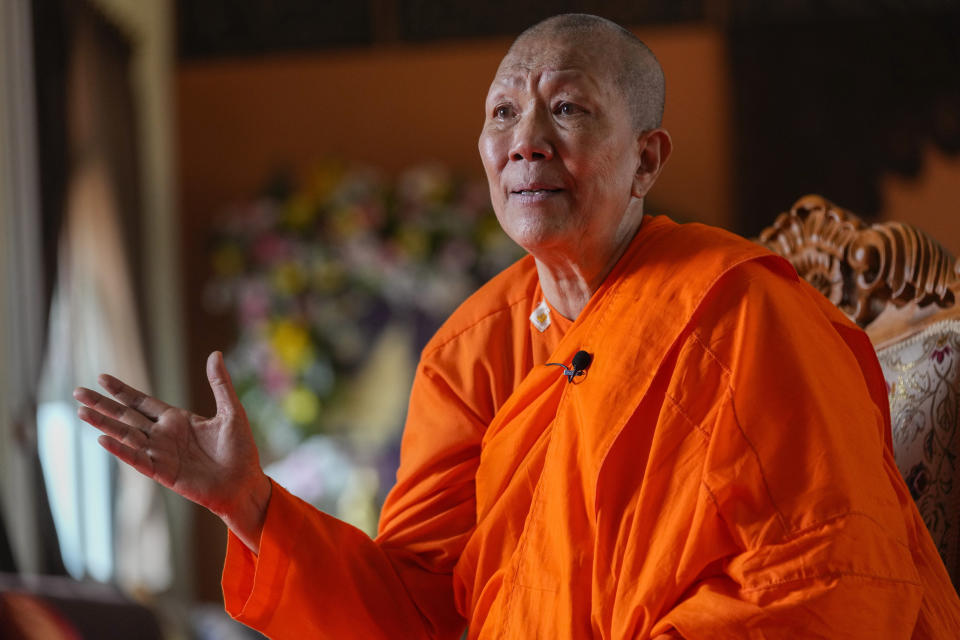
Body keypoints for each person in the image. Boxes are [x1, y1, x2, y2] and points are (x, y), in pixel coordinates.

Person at [74, 13, 960, 639]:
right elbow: (421, 612)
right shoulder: (471, 353)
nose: (526, 139)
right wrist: (251, 507)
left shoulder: (744, 314)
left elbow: (835, 584)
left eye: (567, 109)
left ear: (646, 157)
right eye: (503, 113)